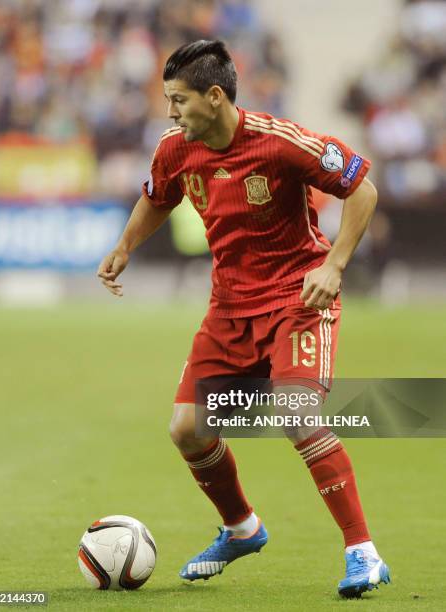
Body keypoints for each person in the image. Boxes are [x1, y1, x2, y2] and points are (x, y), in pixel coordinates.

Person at [98, 40, 390, 599]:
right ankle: (241, 528)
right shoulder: (174, 149)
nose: (170, 112)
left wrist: (334, 265)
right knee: (185, 429)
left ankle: (363, 553)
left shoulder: (282, 143)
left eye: (178, 100)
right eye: (166, 100)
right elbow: (159, 197)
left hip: (297, 298)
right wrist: (125, 246)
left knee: (296, 411)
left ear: (215, 96)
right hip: (229, 307)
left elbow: (363, 190)